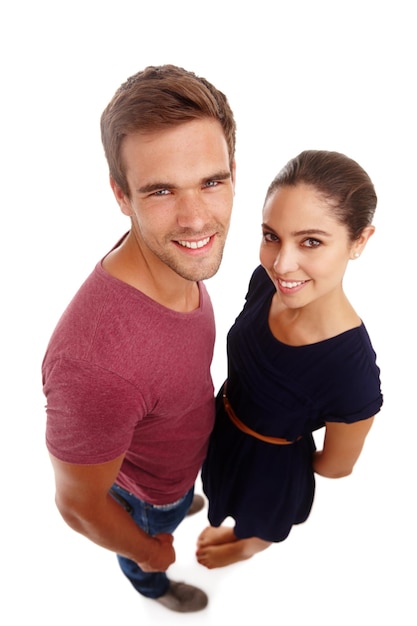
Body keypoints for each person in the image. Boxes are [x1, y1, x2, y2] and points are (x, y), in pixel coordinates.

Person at [42, 64, 236, 612]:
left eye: (212, 181)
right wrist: (149, 549)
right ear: (121, 195)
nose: (197, 218)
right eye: (160, 191)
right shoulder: (97, 367)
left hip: (175, 463)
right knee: (151, 544)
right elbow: (80, 507)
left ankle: (179, 498)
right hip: (144, 501)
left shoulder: (174, 258)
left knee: (177, 498)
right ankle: (152, 585)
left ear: (232, 171)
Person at [196, 149, 383, 569]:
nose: (281, 264)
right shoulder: (268, 281)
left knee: (257, 520)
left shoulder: (352, 373)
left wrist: (277, 453)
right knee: (217, 487)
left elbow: (335, 467)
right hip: (222, 426)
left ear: (360, 241)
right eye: (271, 236)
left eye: (311, 241)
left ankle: (246, 544)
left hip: (270, 464)